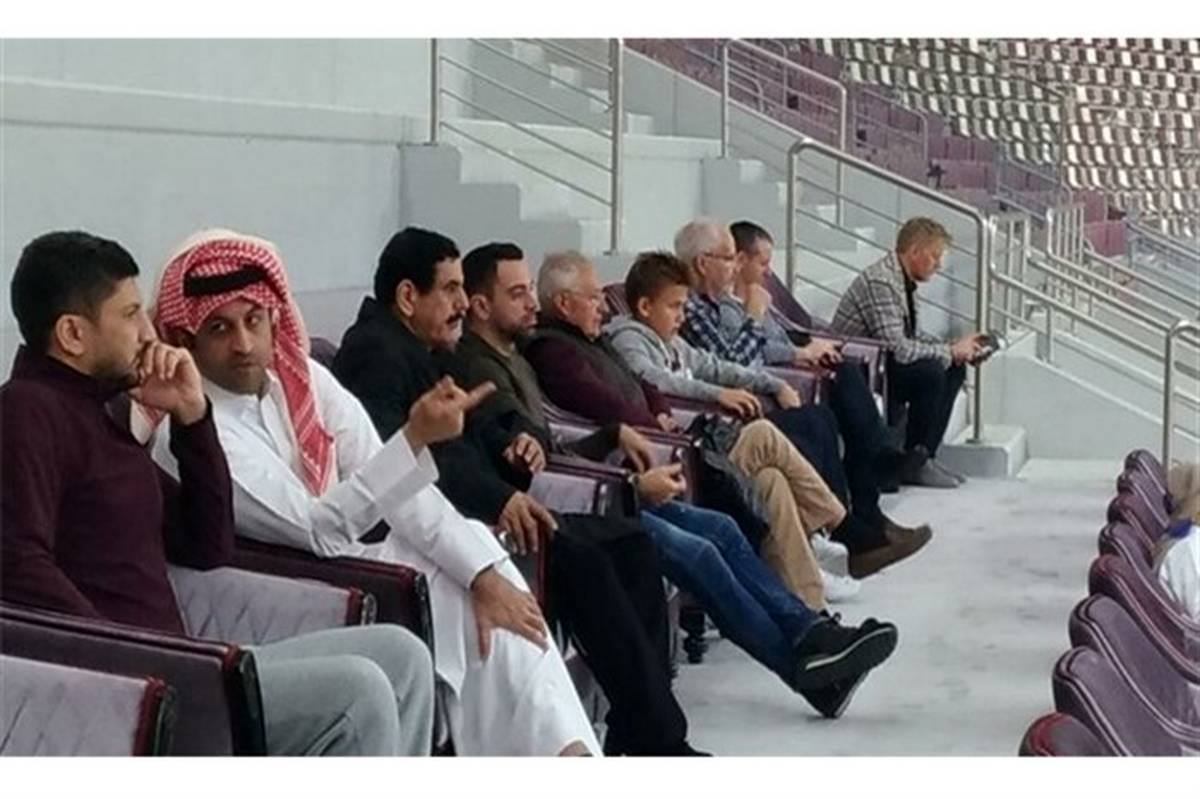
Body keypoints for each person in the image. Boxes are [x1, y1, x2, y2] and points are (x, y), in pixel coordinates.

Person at [142, 229, 598, 756]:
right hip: (306, 585)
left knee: (486, 569)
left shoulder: (303, 379)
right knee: (474, 612)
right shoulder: (192, 433)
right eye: (220, 328)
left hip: (361, 553)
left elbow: (394, 484)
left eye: (254, 320)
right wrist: (415, 440)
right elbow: (317, 528)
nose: (244, 344)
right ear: (187, 340)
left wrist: (482, 574)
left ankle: (568, 755)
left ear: (274, 318)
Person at [1, 230, 434, 756]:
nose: (147, 332)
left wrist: (192, 416)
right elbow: (19, 564)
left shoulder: (99, 413)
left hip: (178, 664)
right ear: (73, 333)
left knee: (402, 653)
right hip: (137, 686)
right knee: (358, 693)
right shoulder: (26, 413)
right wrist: (124, 653)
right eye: (130, 314)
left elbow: (207, 544)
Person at [450, 241, 900, 717]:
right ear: (481, 305)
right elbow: (542, 443)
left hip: (601, 479)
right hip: (580, 499)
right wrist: (623, 464)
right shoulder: (500, 361)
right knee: (702, 547)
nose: (532, 303)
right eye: (518, 293)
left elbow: (627, 395)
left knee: (722, 525)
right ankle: (810, 659)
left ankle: (812, 632)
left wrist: (634, 426)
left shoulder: (523, 350)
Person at [332, 226, 704, 756]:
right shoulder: (376, 356)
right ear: (408, 296)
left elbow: (483, 417)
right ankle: (658, 742)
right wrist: (501, 499)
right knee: (587, 564)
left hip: (495, 506)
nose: (463, 304)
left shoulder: (426, 347)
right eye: (451, 289)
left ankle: (641, 727)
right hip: (455, 528)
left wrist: (517, 439)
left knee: (631, 542)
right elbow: (404, 467)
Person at [526, 250, 847, 607]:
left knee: (772, 481)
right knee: (764, 434)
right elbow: (612, 400)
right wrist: (673, 419)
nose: (602, 306)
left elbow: (649, 385)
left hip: (692, 446)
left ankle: (808, 605)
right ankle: (833, 521)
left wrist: (663, 411)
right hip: (678, 457)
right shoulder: (563, 350)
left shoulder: (598, 340)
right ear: (564, 303)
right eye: (593, 297)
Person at [605, 250, 929, 590]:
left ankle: (809, 602)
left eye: (683, 306)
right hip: (700, 450)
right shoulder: (629, 339)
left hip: (717, 442)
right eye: (674, 307)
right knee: (772, 431)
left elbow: (716, 366)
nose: (681, 316)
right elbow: (655, 379)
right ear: (645, 307)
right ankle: (845, 529)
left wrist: (772, 383)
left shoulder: (673, 340)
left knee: (775, 476)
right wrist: (718, 393)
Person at [680, 217, 931, 550]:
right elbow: (734, 360)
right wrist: (765, 337)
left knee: (829, 401)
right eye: (728, 258)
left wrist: (797, 352)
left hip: (757, 392)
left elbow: (757, 346)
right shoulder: (692, 308)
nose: (734, 266)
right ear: (702, 263)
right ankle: (845, 526)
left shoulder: (721, 301)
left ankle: (859, 516)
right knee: (816, 420)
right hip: (729, 419)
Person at [831, 217, 985, 488]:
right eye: (934, 256)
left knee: (954, 367)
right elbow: (898, 347)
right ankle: (914, 460)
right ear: (914, 251)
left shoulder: (904, 280)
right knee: (931, 372)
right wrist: (949, 351)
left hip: (883, 362)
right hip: (860, 370)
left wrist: (957, 348)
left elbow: (913, 336)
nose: (938, 265)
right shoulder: (882, 282)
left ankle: (925, 457)